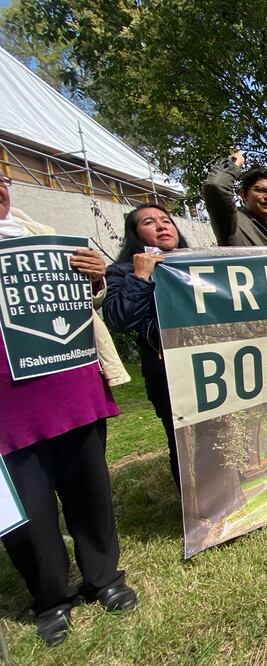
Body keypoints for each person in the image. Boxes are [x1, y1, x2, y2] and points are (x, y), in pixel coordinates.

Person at [0, 175, 136, 646]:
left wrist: (96, 277)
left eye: (0, 180)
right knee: (28, 508)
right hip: (9, 403)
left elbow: (88, 302)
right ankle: (51, 598)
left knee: (90, 489)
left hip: (71, 386)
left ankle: (103, 577)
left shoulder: (43, 235)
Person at [103, 204, 190, 491]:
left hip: (210, 364)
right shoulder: (123, 272)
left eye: (167, 220)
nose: (162, 226)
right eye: (149, 222)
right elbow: (119, 319)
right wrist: (140, 277)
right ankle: (197, 509)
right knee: (182, 441)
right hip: (166, 373)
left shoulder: (196, 263)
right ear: (135, 234)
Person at [203, 151, 267, 247]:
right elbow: (216, 186)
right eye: (260, 190)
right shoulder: (233, 223)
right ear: (244, 195)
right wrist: (233, 163)